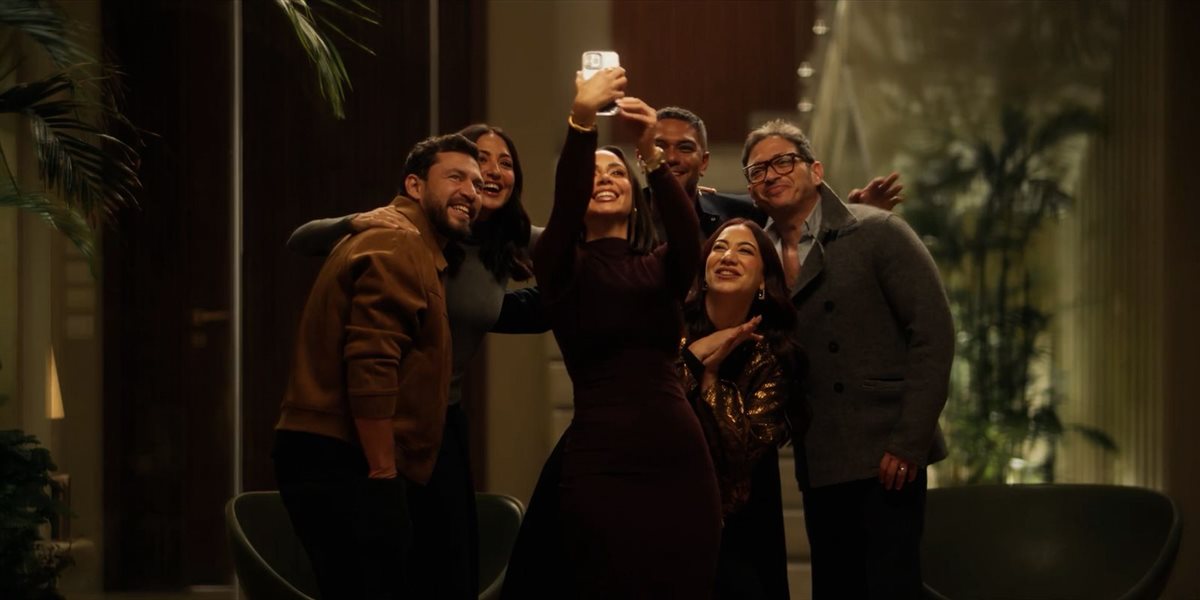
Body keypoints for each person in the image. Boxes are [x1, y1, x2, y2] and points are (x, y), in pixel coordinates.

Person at [285, 124, 544, 598]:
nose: (480, 181)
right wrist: (384, 473)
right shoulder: (399, 239)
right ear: (415, 185)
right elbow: (371, 364)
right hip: (366, 432)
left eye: (498, 166)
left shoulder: (489, 239)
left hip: (429, 425)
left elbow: (584, 249)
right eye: (460, 174)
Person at [741, 119, 955, 599]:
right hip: (819, 455)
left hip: (887, 453)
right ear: (751, 189)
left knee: (890, 589)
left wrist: (909, 442)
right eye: (758, 170)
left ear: (816, 171)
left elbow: (933, 335)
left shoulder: (878, 231)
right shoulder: (759, 257)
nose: (771, 174)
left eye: (783, 161)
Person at [530, 66, 721, 597]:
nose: (606, 179)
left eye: (617, 173)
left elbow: (688, 236)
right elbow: (565, 205)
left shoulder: (662, 265)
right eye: (593, 173)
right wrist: (582, 119)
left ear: (637, 196)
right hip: (601, 458)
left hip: (678, 454)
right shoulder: (559, 264)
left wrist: (650, 151)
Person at [679, 218, 805, 599]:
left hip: (743, 526)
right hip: (668, 510)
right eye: (719, 248)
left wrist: (710, 378)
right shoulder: (669, 331)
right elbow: (648, 406)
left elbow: (740, 452)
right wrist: (693, 356)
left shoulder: (775, 355)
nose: (728, 256)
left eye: (744, 250)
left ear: (763, 281)